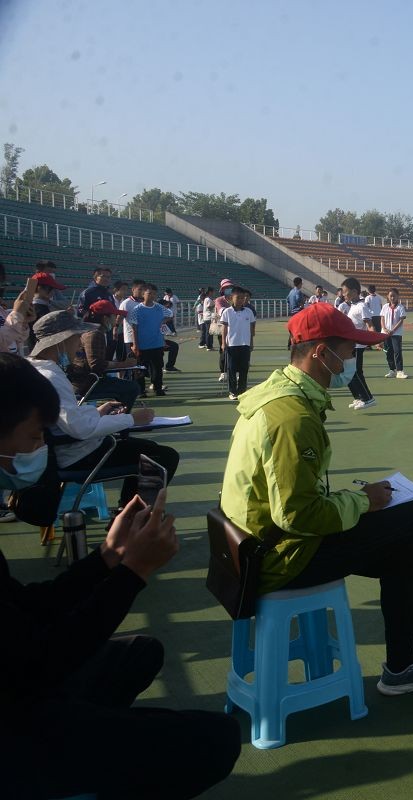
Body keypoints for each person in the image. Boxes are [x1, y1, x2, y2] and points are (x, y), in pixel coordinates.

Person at [220, 304, 413, 696]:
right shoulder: (292, 417)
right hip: (280, 557)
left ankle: (404, 664)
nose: (353, 359)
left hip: (259, 545)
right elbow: (297, 514)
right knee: (411, 511)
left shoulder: (277, 395)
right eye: (350, 350)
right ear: (321, 353)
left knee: (405, 549)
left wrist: (358, 500)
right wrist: (363, 501)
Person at [0, 354, 240, 799]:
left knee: (139, 652)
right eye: (33, 438)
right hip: (14, 716)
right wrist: (134, 571)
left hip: (22, 678)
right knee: (215, 740)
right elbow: (38, 661)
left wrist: (107, 558)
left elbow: (25, 607)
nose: (39, 451)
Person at [27, 311, 179, 509]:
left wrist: (98, 412)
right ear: (61, 341)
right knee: (164, 457)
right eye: (76, 338)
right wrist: (132, 419)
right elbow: (79, 429)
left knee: (149, 449)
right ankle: (132, 517)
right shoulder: (51, 377)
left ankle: (128, 511)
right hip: (76, 455)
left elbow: (63, 417)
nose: (79, 344)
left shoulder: (35, 369)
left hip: (62, 450)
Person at [337, 278, 378, 410]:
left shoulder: (361, 307)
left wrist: (376, 341)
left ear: (354, 292)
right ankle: (359, 397)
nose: (343, 295)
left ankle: (368, 398)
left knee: (354, 373)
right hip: (350, 345)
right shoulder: (353, 306)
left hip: (357, 346)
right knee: (351, 373)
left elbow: (370, 325)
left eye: (345, 292)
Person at [128, 283, 171, 397]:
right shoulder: (137, 309)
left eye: (154, 293)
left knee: (158, 368)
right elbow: (134, 328)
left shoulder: (159, 307)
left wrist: (162, 321)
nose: (152, 295)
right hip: (143, 345)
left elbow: (170, 314)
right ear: (143, 294)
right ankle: (141, 391)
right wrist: (135, 345)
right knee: (141, 369)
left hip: (157, 344)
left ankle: (158, 388)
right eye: (149, 293)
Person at [221, 285, 257, 401]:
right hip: (232, 345)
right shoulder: (227, 312)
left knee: (244, 369)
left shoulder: (249, 312)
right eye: (239, 297)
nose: (241, 300)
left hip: (245, 345)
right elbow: (224, 328)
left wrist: (251, 342)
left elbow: (252, 328)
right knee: (231, 369)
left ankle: (242, 391)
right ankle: (232, 391)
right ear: (232, 297)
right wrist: (223, 343)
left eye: (243, 298)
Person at [382, 288, 408, 379]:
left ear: (398, 296)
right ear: (388, 297)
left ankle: (400, 371)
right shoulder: (385, 306)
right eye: (391, 296)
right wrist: (384, 328)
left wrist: (393, 330)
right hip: (385, 333)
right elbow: (382, 318)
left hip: (396, 333)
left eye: (394, 296)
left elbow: (401, 320)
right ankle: (392, 370)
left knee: (397, 351)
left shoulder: (400, 307)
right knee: (388, 351)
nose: (392, 298)